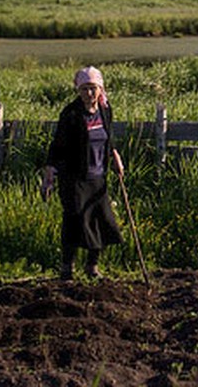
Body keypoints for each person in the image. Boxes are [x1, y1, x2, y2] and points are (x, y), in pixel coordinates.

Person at [42, 66, 124, 280]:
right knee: (75, 220)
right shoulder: (70, 114)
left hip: (98, 177)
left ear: (100, 88)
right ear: (78, 90)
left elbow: (109, 136)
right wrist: (50, 173)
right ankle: (67, 268)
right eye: (85, 89)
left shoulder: (105, 110)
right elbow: (57, 147)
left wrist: (115, 155)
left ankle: (92, 267)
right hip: (74, 178)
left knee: (101, 220)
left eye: (93, 88)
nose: (89, 93)